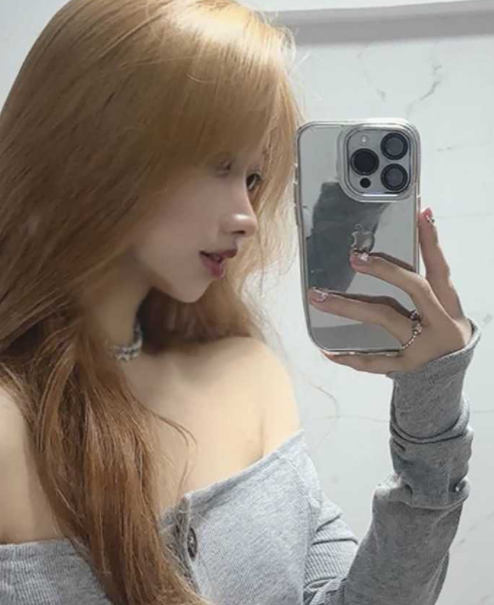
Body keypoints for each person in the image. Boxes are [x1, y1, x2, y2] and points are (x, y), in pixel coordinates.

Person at [0, 0, 480, 604]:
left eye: (253, 178)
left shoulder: (249, 375)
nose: (248, 217)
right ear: (95, 148)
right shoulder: (10, 429)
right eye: (218, 165)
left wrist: (431, 412)